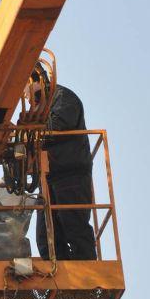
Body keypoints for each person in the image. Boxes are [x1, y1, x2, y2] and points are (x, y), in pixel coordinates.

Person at [31, 66, 97, 260]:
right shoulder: (39, 108)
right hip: (49, 178)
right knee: (46, 237)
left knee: (74, 226)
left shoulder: (62, 97)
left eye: (23, 88)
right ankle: (60, 276)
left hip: (70, 174)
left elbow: (56, 127)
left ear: (35, 81)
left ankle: (87, 276)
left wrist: (29, 131)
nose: (24, 97)